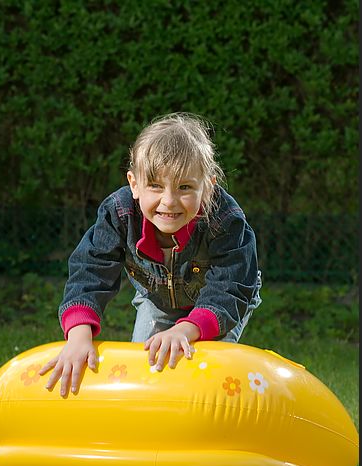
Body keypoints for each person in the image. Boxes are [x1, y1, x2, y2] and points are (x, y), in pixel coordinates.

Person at [40, 112, 262, 396]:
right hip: (157, 299)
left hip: (219, 302)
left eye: (184, 187)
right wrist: (78, 335)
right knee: (146, 373)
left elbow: (230, 288)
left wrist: (186, 330)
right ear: (134, 184)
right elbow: (91, 269)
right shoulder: (118, 214)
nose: (168, 201)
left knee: (205, 379)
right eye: (155, 185)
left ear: (208, 185)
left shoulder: (226, 220)